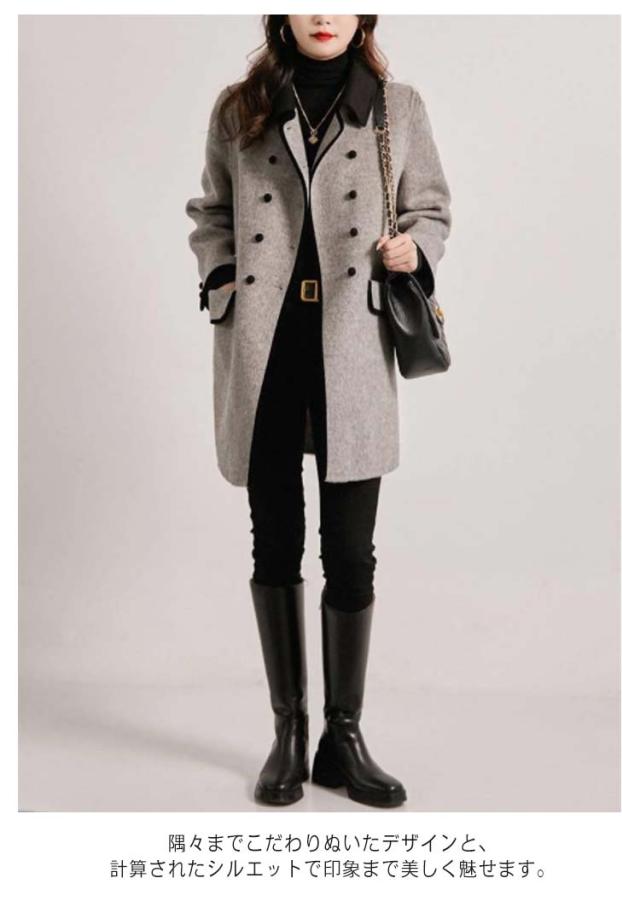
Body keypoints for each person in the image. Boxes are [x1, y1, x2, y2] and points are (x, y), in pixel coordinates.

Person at [185, 14, 452, 807]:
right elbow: (212, 213)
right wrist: (223, 282)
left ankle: (344, 737)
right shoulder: (241, 107)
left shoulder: (397, 107)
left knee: (351, 551)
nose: (324, 15)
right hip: (265, 349)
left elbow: (431, 207)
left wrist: (415, 248)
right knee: (275, 543)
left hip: (352, 348)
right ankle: (289, 733)